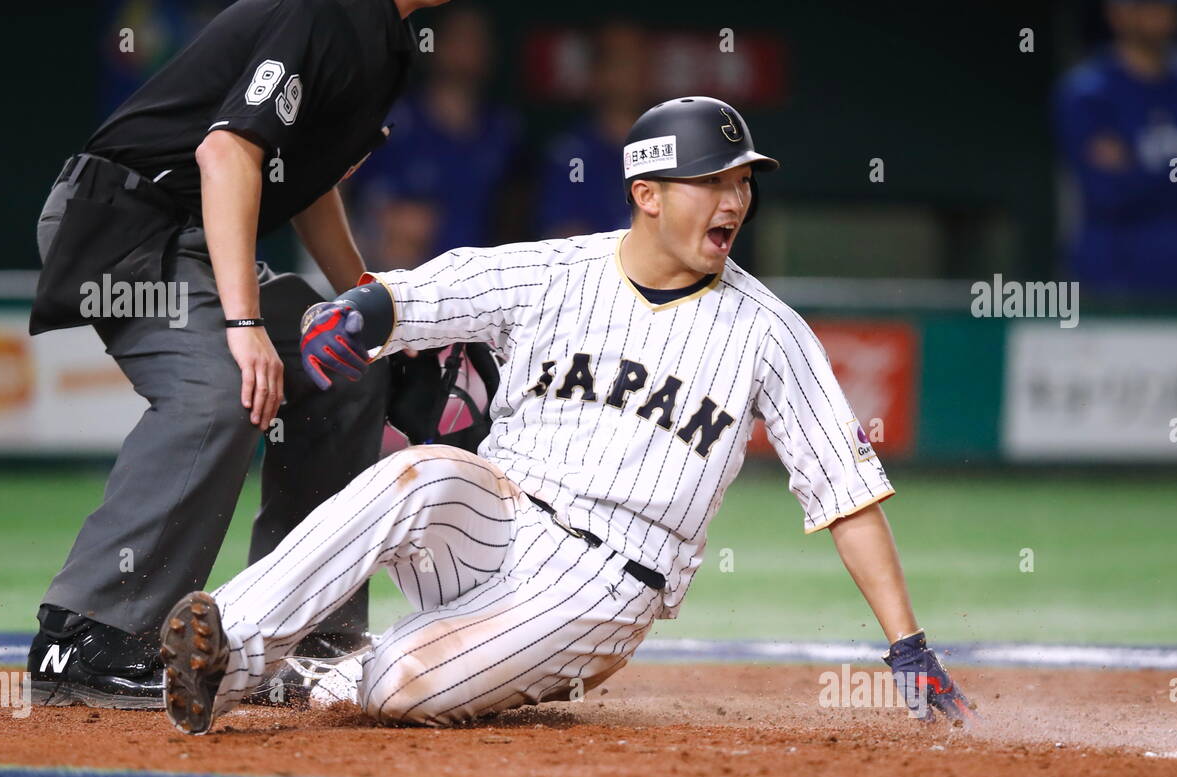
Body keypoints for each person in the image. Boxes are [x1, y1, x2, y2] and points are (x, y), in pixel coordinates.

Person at [158, 96, 977, 735]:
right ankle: (230, 644)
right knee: (417, 472)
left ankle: (341, 677)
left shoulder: (769, 333)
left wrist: (906, 643)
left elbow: (846, 493)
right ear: (647, 194)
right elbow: (434, 290)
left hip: (606, 582)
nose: (736, 199)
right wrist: (364, 313)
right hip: (497, 515)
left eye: (743, 181)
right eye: (715, 180)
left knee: (397, 686)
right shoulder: (562, 269)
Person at [27, 0, 451, 710]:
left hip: (193, 239)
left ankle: (296, 643)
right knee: (218, 389)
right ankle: (88, 634)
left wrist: (373, 314)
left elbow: (309, 186)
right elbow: (224, 153)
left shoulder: (387, 45)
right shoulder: (324, 12)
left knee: (342, 368)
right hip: (125, 225)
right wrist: (245, 319)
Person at [1056, 0, 1177, 297]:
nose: (1158, 14)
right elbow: (1107, 192)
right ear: (1117, 13)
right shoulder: (1088, 94)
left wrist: (1135, 168)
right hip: (1112, 283)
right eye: (1145, 6)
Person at [347, 4, 523, 268]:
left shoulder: (503, 129)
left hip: (481, 284)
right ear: (435, 44)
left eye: (476, 40)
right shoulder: (394, 121)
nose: (466, 50)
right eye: (458, 38)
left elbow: (517, 211)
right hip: (402, 278)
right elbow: (338, 191)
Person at [536, 22, 650, 238]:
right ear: (597, 73)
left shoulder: (671, 148)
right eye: (620, 61)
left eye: (639, 60)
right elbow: (563, 237)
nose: (631, 71)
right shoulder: (571, 154)